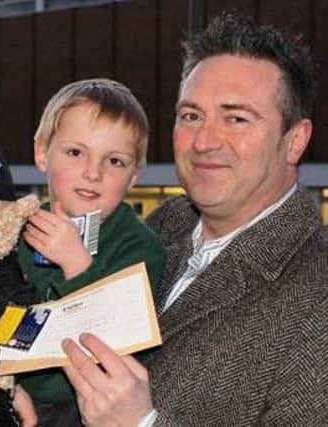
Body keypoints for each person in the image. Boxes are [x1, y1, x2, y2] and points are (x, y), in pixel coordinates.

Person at [60, 13, 328, 426]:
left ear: (295, 141)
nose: (203, 141)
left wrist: (141, 424)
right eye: (191, 116)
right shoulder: (158, 227)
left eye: (236, 118)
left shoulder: (316, 294)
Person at [16, 78, 166, 426]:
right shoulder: (15, 230)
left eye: (115, 161)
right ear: (42, 153)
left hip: (83, 407)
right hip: (10, 392)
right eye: (75, 152)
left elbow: (114, 338)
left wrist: (76, 264)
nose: (93, 172)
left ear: (133, 178)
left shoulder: (139, 247)